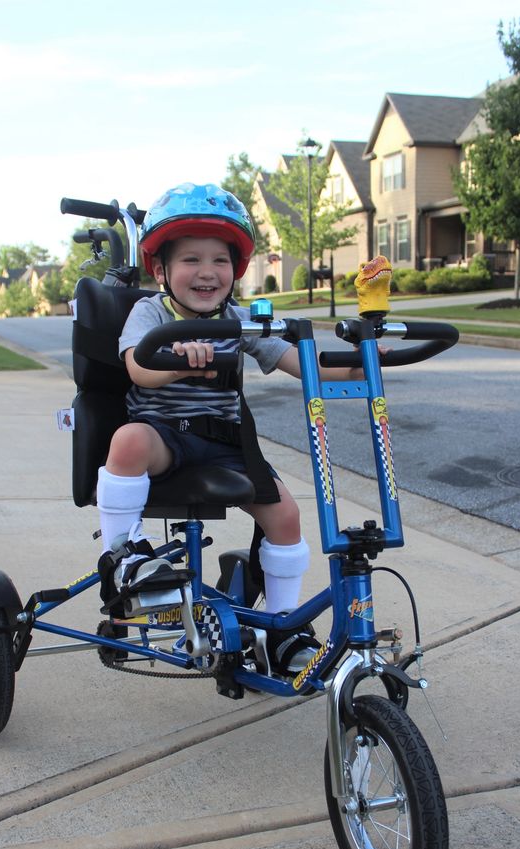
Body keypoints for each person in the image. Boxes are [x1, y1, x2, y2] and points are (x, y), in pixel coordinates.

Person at [96, 182, 363, 673]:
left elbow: (303, 364)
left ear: (235, 270)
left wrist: (362, 363)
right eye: (191, 259)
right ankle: (125, 558)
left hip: (223, 442)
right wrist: (177, 359)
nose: (207, 271)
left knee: (286, 516)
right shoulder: (149, 312)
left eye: (220, 260)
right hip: (163, 435)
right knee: (127, 440)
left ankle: (282, 629)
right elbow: (138, 368)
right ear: (161, 271)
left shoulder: (240, 320)